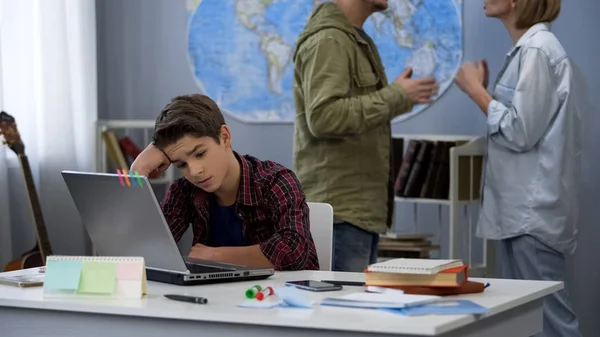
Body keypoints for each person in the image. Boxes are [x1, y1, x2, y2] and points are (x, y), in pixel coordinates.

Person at [454, 0, 581, 336]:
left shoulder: (538, 50)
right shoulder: (530, 50)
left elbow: (519, 131)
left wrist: (476, 91)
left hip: (530, 217)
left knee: (550, 321)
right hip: (520, 216)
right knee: (528, 322)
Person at [292, 0, 439, 272]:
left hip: (357, 214)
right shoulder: (329, 39)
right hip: (342, 214)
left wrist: (397, 96)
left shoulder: (352, 38)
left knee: (353, 311)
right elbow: (324, 117)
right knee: (341, 312)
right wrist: (396, 96)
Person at [130, 94, 320, 271]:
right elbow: (146, 249)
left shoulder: (276, 181)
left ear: (225, 137)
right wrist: (136, 174)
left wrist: (215, 255)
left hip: (282, 300)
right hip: (216, 300)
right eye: (181, 164)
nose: (195, 171)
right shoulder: (184, 190)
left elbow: (294, 253)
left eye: (200, 154)